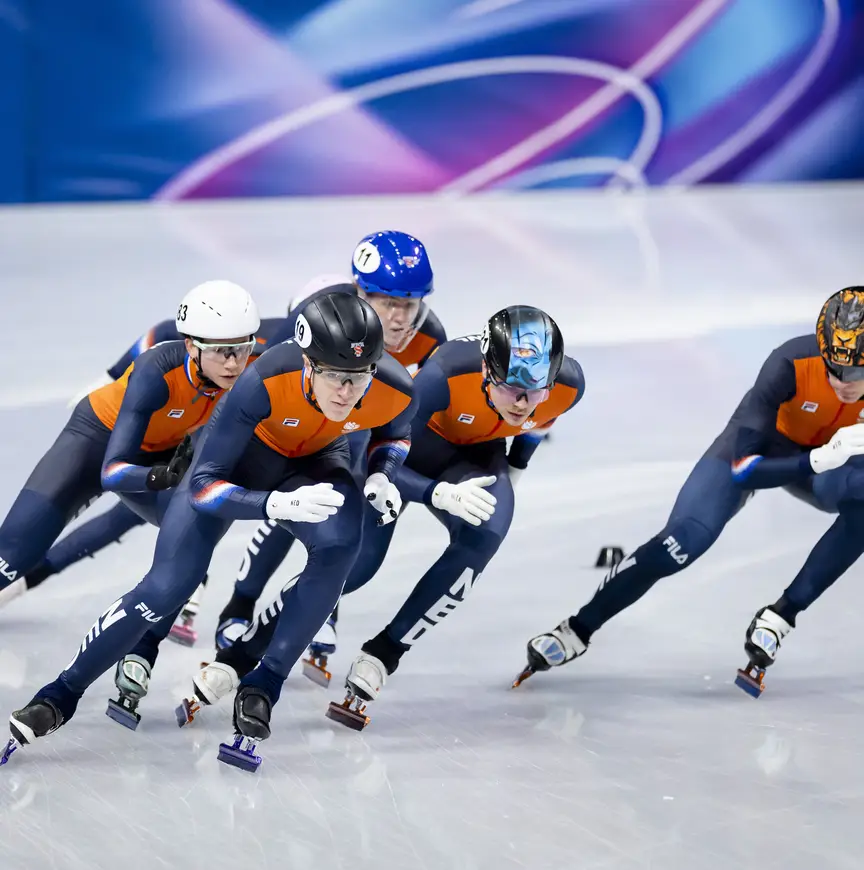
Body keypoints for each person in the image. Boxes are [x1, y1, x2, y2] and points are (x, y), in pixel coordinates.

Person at [2, 290, 416, 772]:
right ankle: (61, 693)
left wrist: (383, 473)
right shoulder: (259, 382)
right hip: (241, 463)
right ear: (308, 364)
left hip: (316, 461)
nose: (347, 392)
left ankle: (265, 684)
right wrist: (273, 504)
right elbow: (201, 486)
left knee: (343, 543)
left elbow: (396, 434)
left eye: (358, 378)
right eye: (335, 377)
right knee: (169, 585)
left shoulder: (396, 386)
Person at [181, 305, 584, 732]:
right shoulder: (442, 376)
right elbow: (381, 443)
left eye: (535, 390)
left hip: (475, 460)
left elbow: (538, 423)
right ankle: (246, 652)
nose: (523, 404)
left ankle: (385, 652)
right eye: (510, 389)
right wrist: (432, 492)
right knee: (353, 570)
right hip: (403, 465)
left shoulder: (566, 386)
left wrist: (515, 470)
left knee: (487, 533)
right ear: (487, 369)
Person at [515, 287, 864, 698]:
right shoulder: (789, 363)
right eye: (832, 368)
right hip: (762, 452)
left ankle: (782, 615)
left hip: (831, 468)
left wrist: (827, 462)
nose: (841, 382)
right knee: (681, 543)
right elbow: (743, 471)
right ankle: (578, 628)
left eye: (855, 373)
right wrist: (818, 459)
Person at [213, 230, 446, 676]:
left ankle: (326, 603)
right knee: (300, 499)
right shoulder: (321, 313)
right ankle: (240, 602)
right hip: (301, 417)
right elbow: (257, 376)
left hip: (360, 417)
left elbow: (410, 416)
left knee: (348, 508)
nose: (398, 320)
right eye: (385, 303)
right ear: (358, 292)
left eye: (409, 304)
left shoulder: (431, 337)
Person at [17, 293, 292, 615]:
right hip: (197, 421)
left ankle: (32, 576)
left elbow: (159, 333)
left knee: (160, 510)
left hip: (209, 419)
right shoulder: (274, 345)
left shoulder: (275, 344)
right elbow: (162, 336)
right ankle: (191, 585)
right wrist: (110, 379)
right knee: (160, 509)